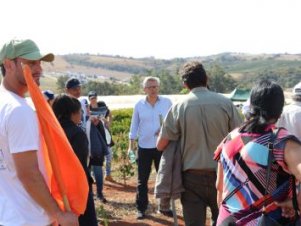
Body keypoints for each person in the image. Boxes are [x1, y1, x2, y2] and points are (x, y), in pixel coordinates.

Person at [0, 39, 78, 225]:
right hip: (29, 218)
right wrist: (57, 214)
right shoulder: (19, 110)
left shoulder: (5, 104)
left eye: (40, 62)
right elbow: (28, 173)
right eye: (30, 63)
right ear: (9, 64)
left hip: (8, 214)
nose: (39, 69)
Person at [157, 61, 242, 226]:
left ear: (185, 84)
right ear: (207, 78)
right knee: (224, 221)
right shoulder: (225, 103)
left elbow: (161, 145)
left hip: (191, 179)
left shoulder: (178, 107)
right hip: (224, 175)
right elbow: (241, 136)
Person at [214, 79, 301, 225]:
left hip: (228, 220)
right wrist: (294, 203)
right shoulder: (280, 142)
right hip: (265, 221)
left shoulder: (229, 139)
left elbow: (219, 186)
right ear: (279, 112)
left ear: (251, 106)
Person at [128, 76, 173, 219]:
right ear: (144, 89)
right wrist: (131, 146)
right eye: (149, 87)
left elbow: (173, 122)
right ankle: (141, 208)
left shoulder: (167, 103)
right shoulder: (139, 105)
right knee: (142, 179)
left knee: (165, 178)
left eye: (155, 86)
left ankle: (164, 207)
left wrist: (165, 130)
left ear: (158, 87)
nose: (153, 89)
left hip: (162, 146)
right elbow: (134, 125)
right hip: (144, 146)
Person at [52, 94, 98, 226]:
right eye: (80, 111)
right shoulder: (76, 133)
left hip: (56, 186)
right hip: (77, 187)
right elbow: (80, 163)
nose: (81, 114)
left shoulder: (52, 130)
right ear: (72, 113)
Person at [88, 90, 115, 182]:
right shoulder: (88, 108)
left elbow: (110, 115)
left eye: (94, 98)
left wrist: (108, 123)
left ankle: (108, 174)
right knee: (95, 156)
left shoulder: (102, 105)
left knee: (109, 155)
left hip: (105, 133)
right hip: (94, 135)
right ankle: (93, 176)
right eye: (91, 98)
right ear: (89, 99)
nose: (93, 100)